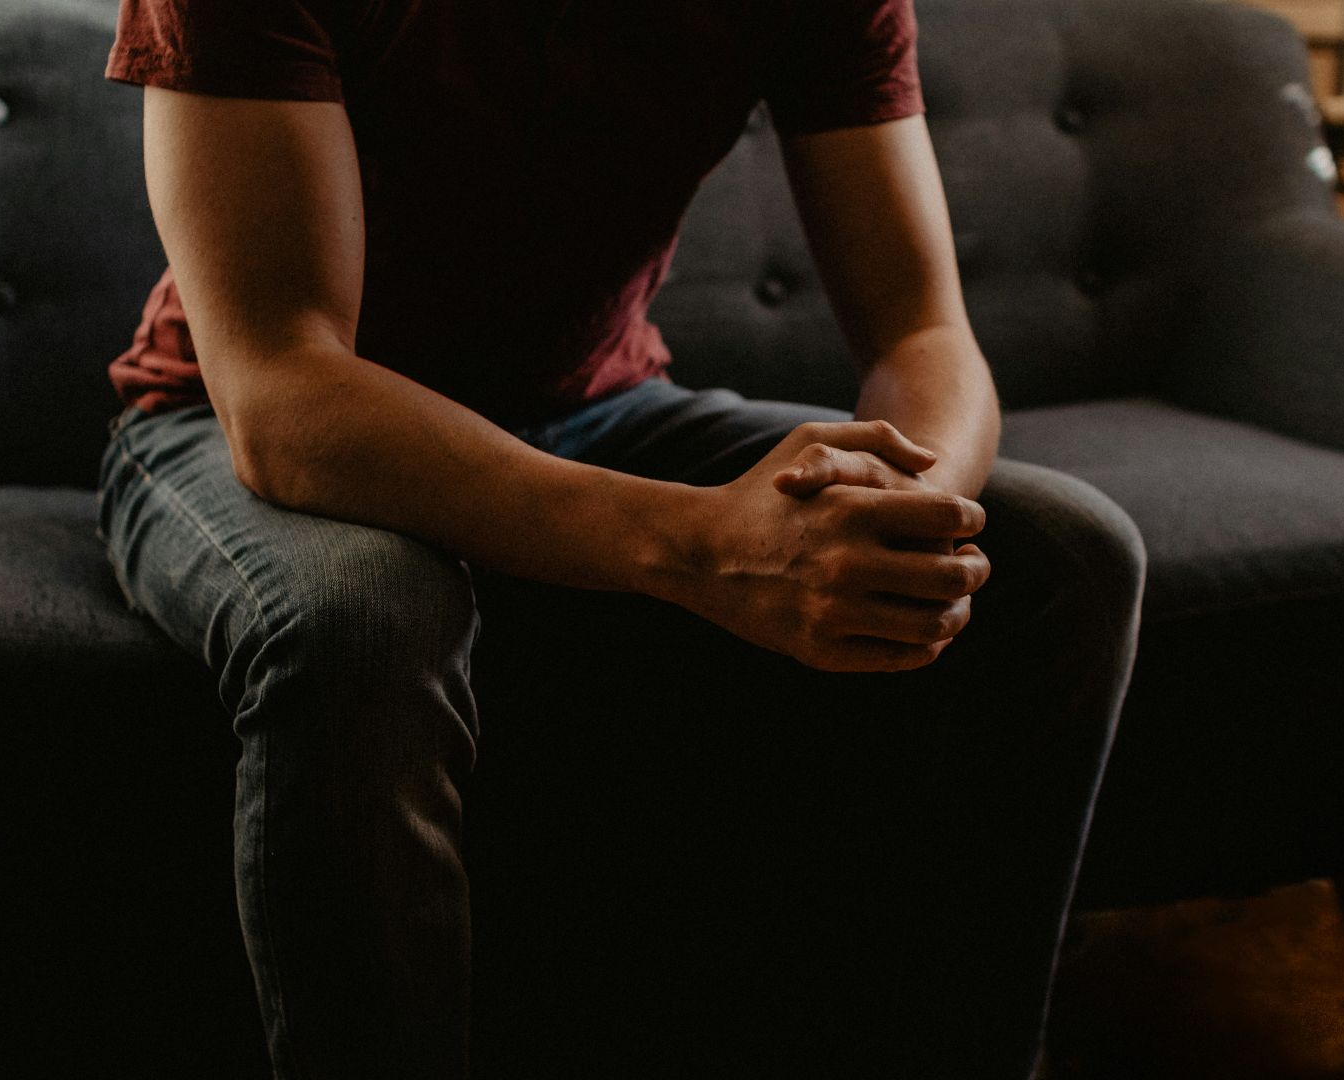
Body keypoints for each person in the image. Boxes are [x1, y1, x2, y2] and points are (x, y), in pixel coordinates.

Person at [96, 1, 1145, 1076]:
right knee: (365, 616)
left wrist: (898, 519)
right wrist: (701, 545)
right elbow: (279, 393)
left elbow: (924, 330)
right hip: (227, 425)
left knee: (1065, 556)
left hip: (599, 407)